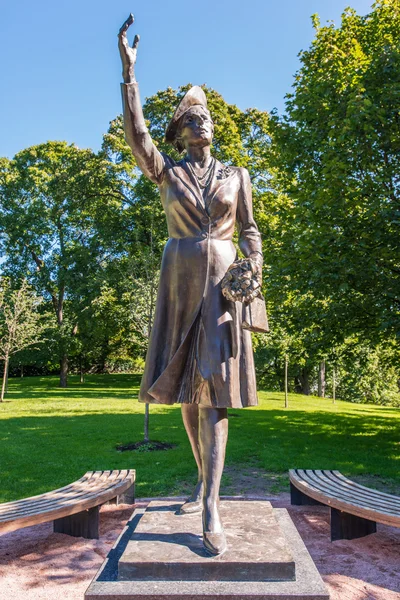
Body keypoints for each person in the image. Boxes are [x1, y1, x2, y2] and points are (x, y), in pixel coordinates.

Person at [118, 14, 263, 556]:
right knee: (182, 384)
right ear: (180, 131)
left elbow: (250, 230)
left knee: (217, 392)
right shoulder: (168, 173)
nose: (200, 123)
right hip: (179, 283)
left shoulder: (237, 177)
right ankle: (204, 479)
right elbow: (137, 135)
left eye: (206, 118)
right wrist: (130, 76)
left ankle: (210, 503)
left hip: (224, 285)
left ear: (213, 128)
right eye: (191, 119)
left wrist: (255, 269)